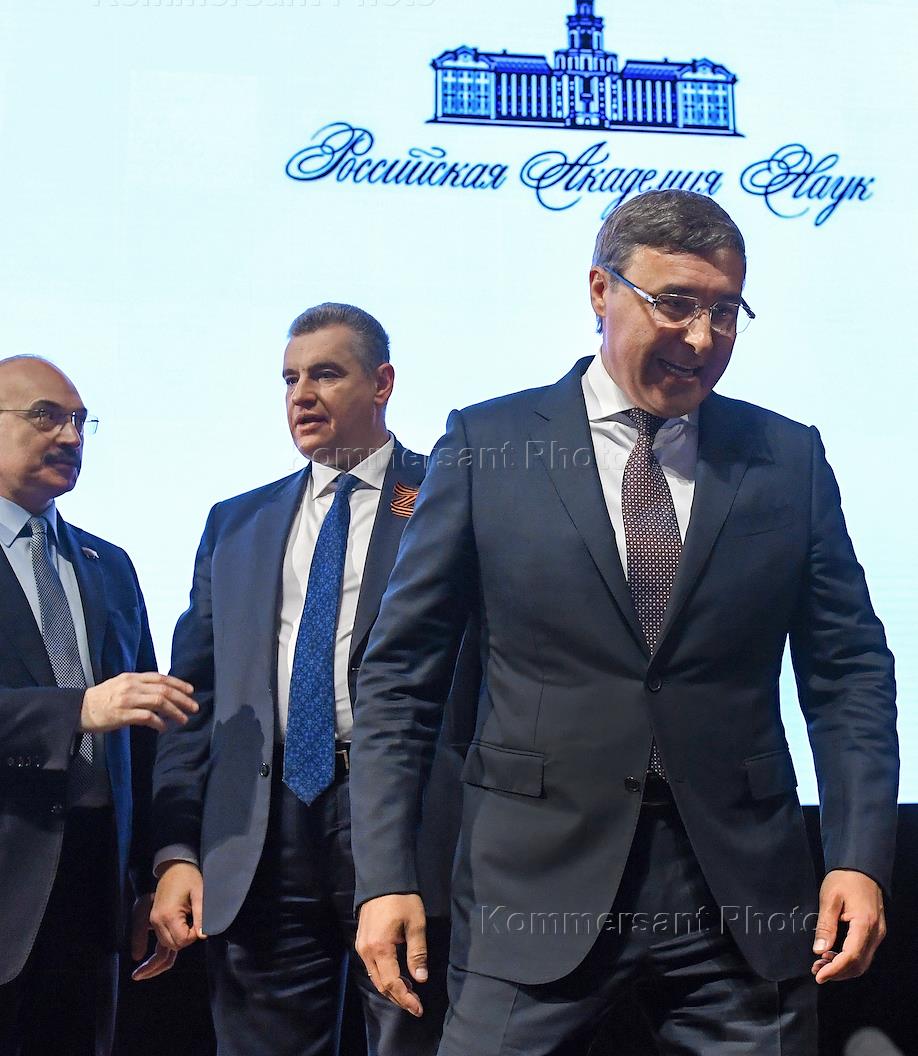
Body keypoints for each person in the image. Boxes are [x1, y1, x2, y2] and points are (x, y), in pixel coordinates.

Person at [350, 191, 899, 1055]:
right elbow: (400, 678)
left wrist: (858, 856)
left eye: (726, 311)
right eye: (676, 303)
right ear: (601, 290)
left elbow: (849, 672)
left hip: (739, 899)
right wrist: (384, 875)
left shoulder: (786, 458)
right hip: (529, 889)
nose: (703, 337)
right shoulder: (489, 445)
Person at [143, 304, 465, 1056]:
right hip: (262, 828)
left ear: (382, 383)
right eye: (289, 379)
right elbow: (195, 701)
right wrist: (176, 850)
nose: (302, 395)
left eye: (325, 374)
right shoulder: (237, 524)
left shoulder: (448, 498)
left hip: (405, 818)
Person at [0, 355, 198, 1056]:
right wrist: (76, 711)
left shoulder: (107, 565)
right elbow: (96, 709)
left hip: (92, 900)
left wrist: (148, 875)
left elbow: (144, 735)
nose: (71, 436)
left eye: (81, 422)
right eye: (46, 417)